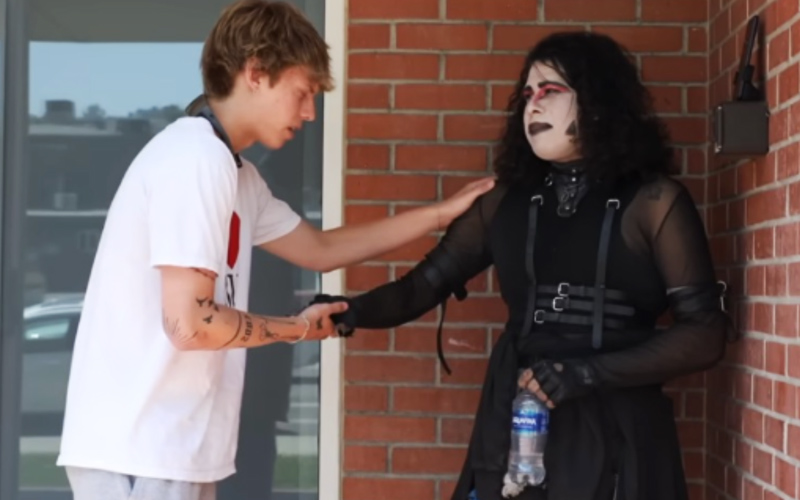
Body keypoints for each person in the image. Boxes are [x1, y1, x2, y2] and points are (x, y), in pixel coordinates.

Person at [55, 1, 494, 499]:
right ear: (256, 72)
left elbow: (322, 249)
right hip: (141, 450)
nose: (309, 113)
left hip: (169, 448)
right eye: (302, 93)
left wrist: (440, 215)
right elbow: (189, 324)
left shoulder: (235, 172)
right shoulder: (195, 158)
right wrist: (296, 328)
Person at [311, 32, 736, 500]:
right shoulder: (504, 203)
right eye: (528, 94)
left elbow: (705, 334)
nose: (533, 105)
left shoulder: (654, 202)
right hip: (516, 429)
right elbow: (423, 286)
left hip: (620, 433)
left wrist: (585, 374)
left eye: (550, 91)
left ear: (597, 102)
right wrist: (349, 311)